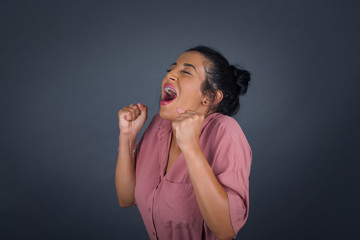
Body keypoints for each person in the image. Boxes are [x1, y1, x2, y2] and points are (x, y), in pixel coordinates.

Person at [115, 45, 252, 240]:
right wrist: (127, 136)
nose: (169, 76)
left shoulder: (224, 131)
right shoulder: (158, 126)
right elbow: (126, 198)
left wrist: (191, 147)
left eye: (186, 72)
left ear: (210, 97)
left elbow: (225, 230)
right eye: (170, 69)